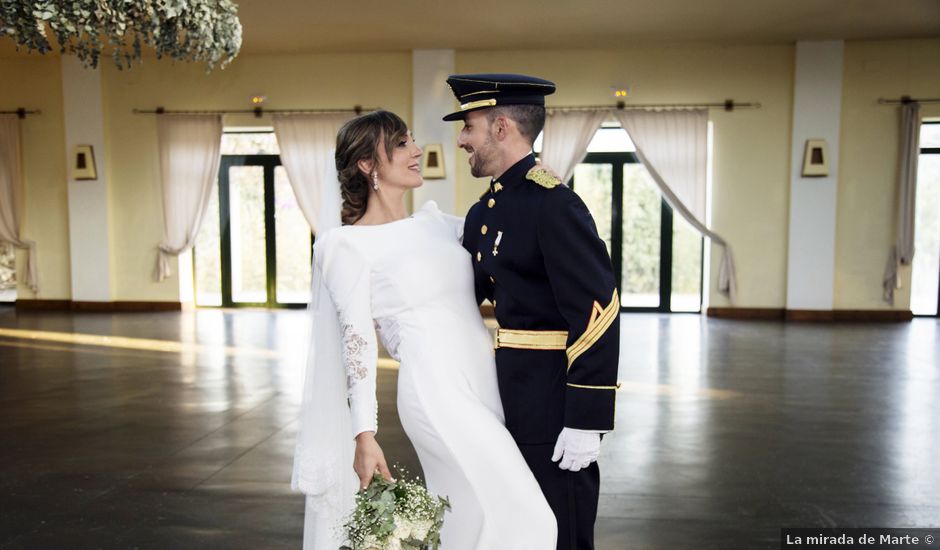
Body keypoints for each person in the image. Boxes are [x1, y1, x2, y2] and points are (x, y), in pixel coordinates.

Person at [292, 110, 557, 550]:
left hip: (483, 386)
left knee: (468, 524)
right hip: (436, 395)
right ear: (366, 165)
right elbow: (356, 345)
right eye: (400, 144)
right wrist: (365, 436)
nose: (416, 151)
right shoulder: (345, 247)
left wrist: (537, 180)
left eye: (412, 140)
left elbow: (508, 228)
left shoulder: (436, 222)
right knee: (530, 521)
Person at [443, 74, 621, 550]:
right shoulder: (486, 212)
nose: (461, 139)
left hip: (552, 404)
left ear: (501, 128)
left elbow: (597, 311)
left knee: (562, 530)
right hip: (500, 397)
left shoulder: (553, 205)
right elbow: (459, 292)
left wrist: (587, 417)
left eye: (468, 126)